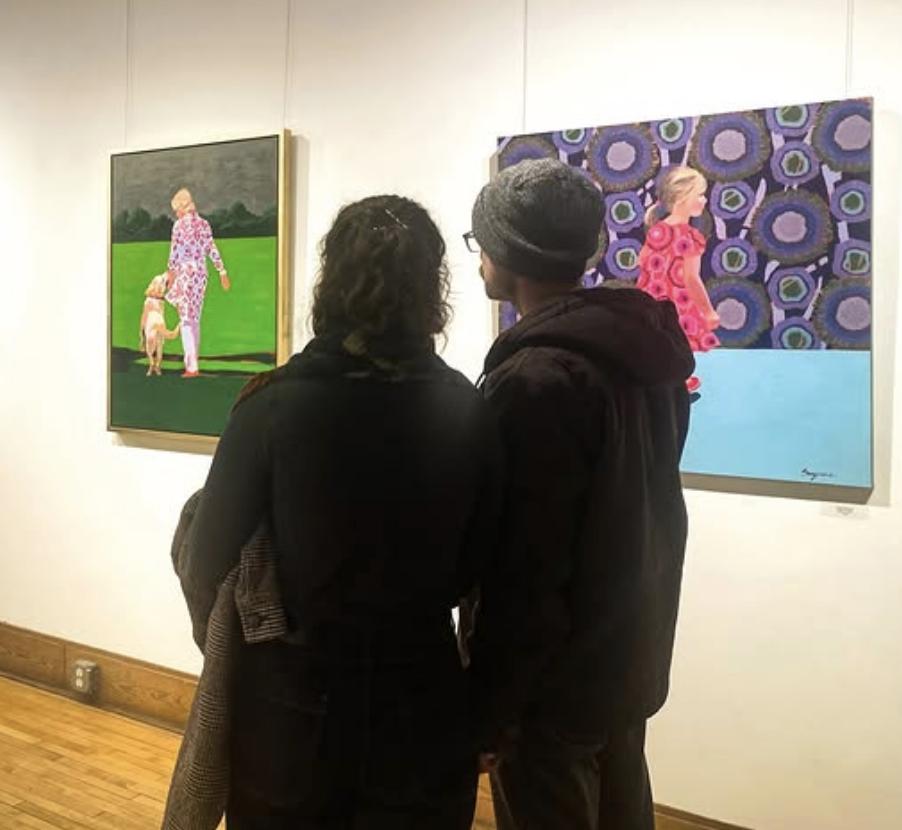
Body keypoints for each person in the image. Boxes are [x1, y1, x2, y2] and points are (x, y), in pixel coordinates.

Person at [181, 195, 505, 830]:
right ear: (431, 287)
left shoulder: (269, 406)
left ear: (330, 279)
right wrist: (487, 709)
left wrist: (233, 647)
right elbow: (491, 573)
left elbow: (204, 561)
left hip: (291, 705)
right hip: (423, 698)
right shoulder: (469, 411)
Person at [465, 158, 695, 830]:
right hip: (625, 661)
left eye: (481, 241)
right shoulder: (646, 360)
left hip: (551, 690)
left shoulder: (535, 381)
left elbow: (524, 570)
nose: (479, 259)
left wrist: (489, 708)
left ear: (507, 252)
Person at [637, 165, 720, 393]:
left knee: (660, 342)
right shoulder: (691, 237)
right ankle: (676, 381)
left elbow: (641, 262)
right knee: (679, 343)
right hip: (678, 304)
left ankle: (662, 379)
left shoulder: (657, 230)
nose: (704, 200)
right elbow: (692, 279)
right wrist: (708, 311)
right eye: (700, 195)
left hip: (651, 301)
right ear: (683, 198)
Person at [165, 188, 230, 377]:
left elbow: (174, 253)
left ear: (181, 207)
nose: (176, 213)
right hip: (201, 275)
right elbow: (211, 248)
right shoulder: (204, 224)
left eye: (176, 210)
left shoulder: (178, 226)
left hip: (185, 275)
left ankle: (191, 367)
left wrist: (170, 275)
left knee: (186, 320)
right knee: (194, 319)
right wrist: (222, 271)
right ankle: (193, 363)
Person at [140, 272, 177, 376]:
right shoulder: (149, 300)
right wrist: (142, 329)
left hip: (158, 321)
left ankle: (156, 366)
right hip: (151, 322)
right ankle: (153, 365)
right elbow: (145, 315)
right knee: (151, 344)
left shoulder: (160, 300)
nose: (160, 288)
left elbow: (160, 313)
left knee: (158, 343)